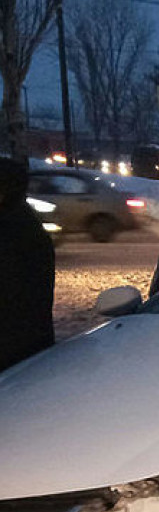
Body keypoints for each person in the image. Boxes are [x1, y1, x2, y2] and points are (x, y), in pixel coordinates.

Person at [0, 158, 55, 371]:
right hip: (26, 343)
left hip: (16, 346)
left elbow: (14, 293)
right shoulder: (21, 223)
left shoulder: (16, 231)